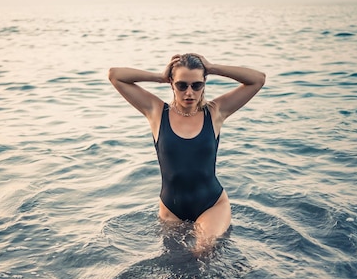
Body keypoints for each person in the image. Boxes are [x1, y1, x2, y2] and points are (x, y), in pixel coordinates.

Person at [108, 53, 265, 254]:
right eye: (182, 85)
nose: (189, 92)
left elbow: (258, 80)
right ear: (172, 84)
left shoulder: (215, 112)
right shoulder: (156, 112)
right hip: (171, 210)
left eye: (196, 85)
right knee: (175, 263)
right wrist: (160, 76)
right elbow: (115, 75)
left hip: (211, 204)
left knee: (203, 251)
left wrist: (213, 67)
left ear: (204, 84)